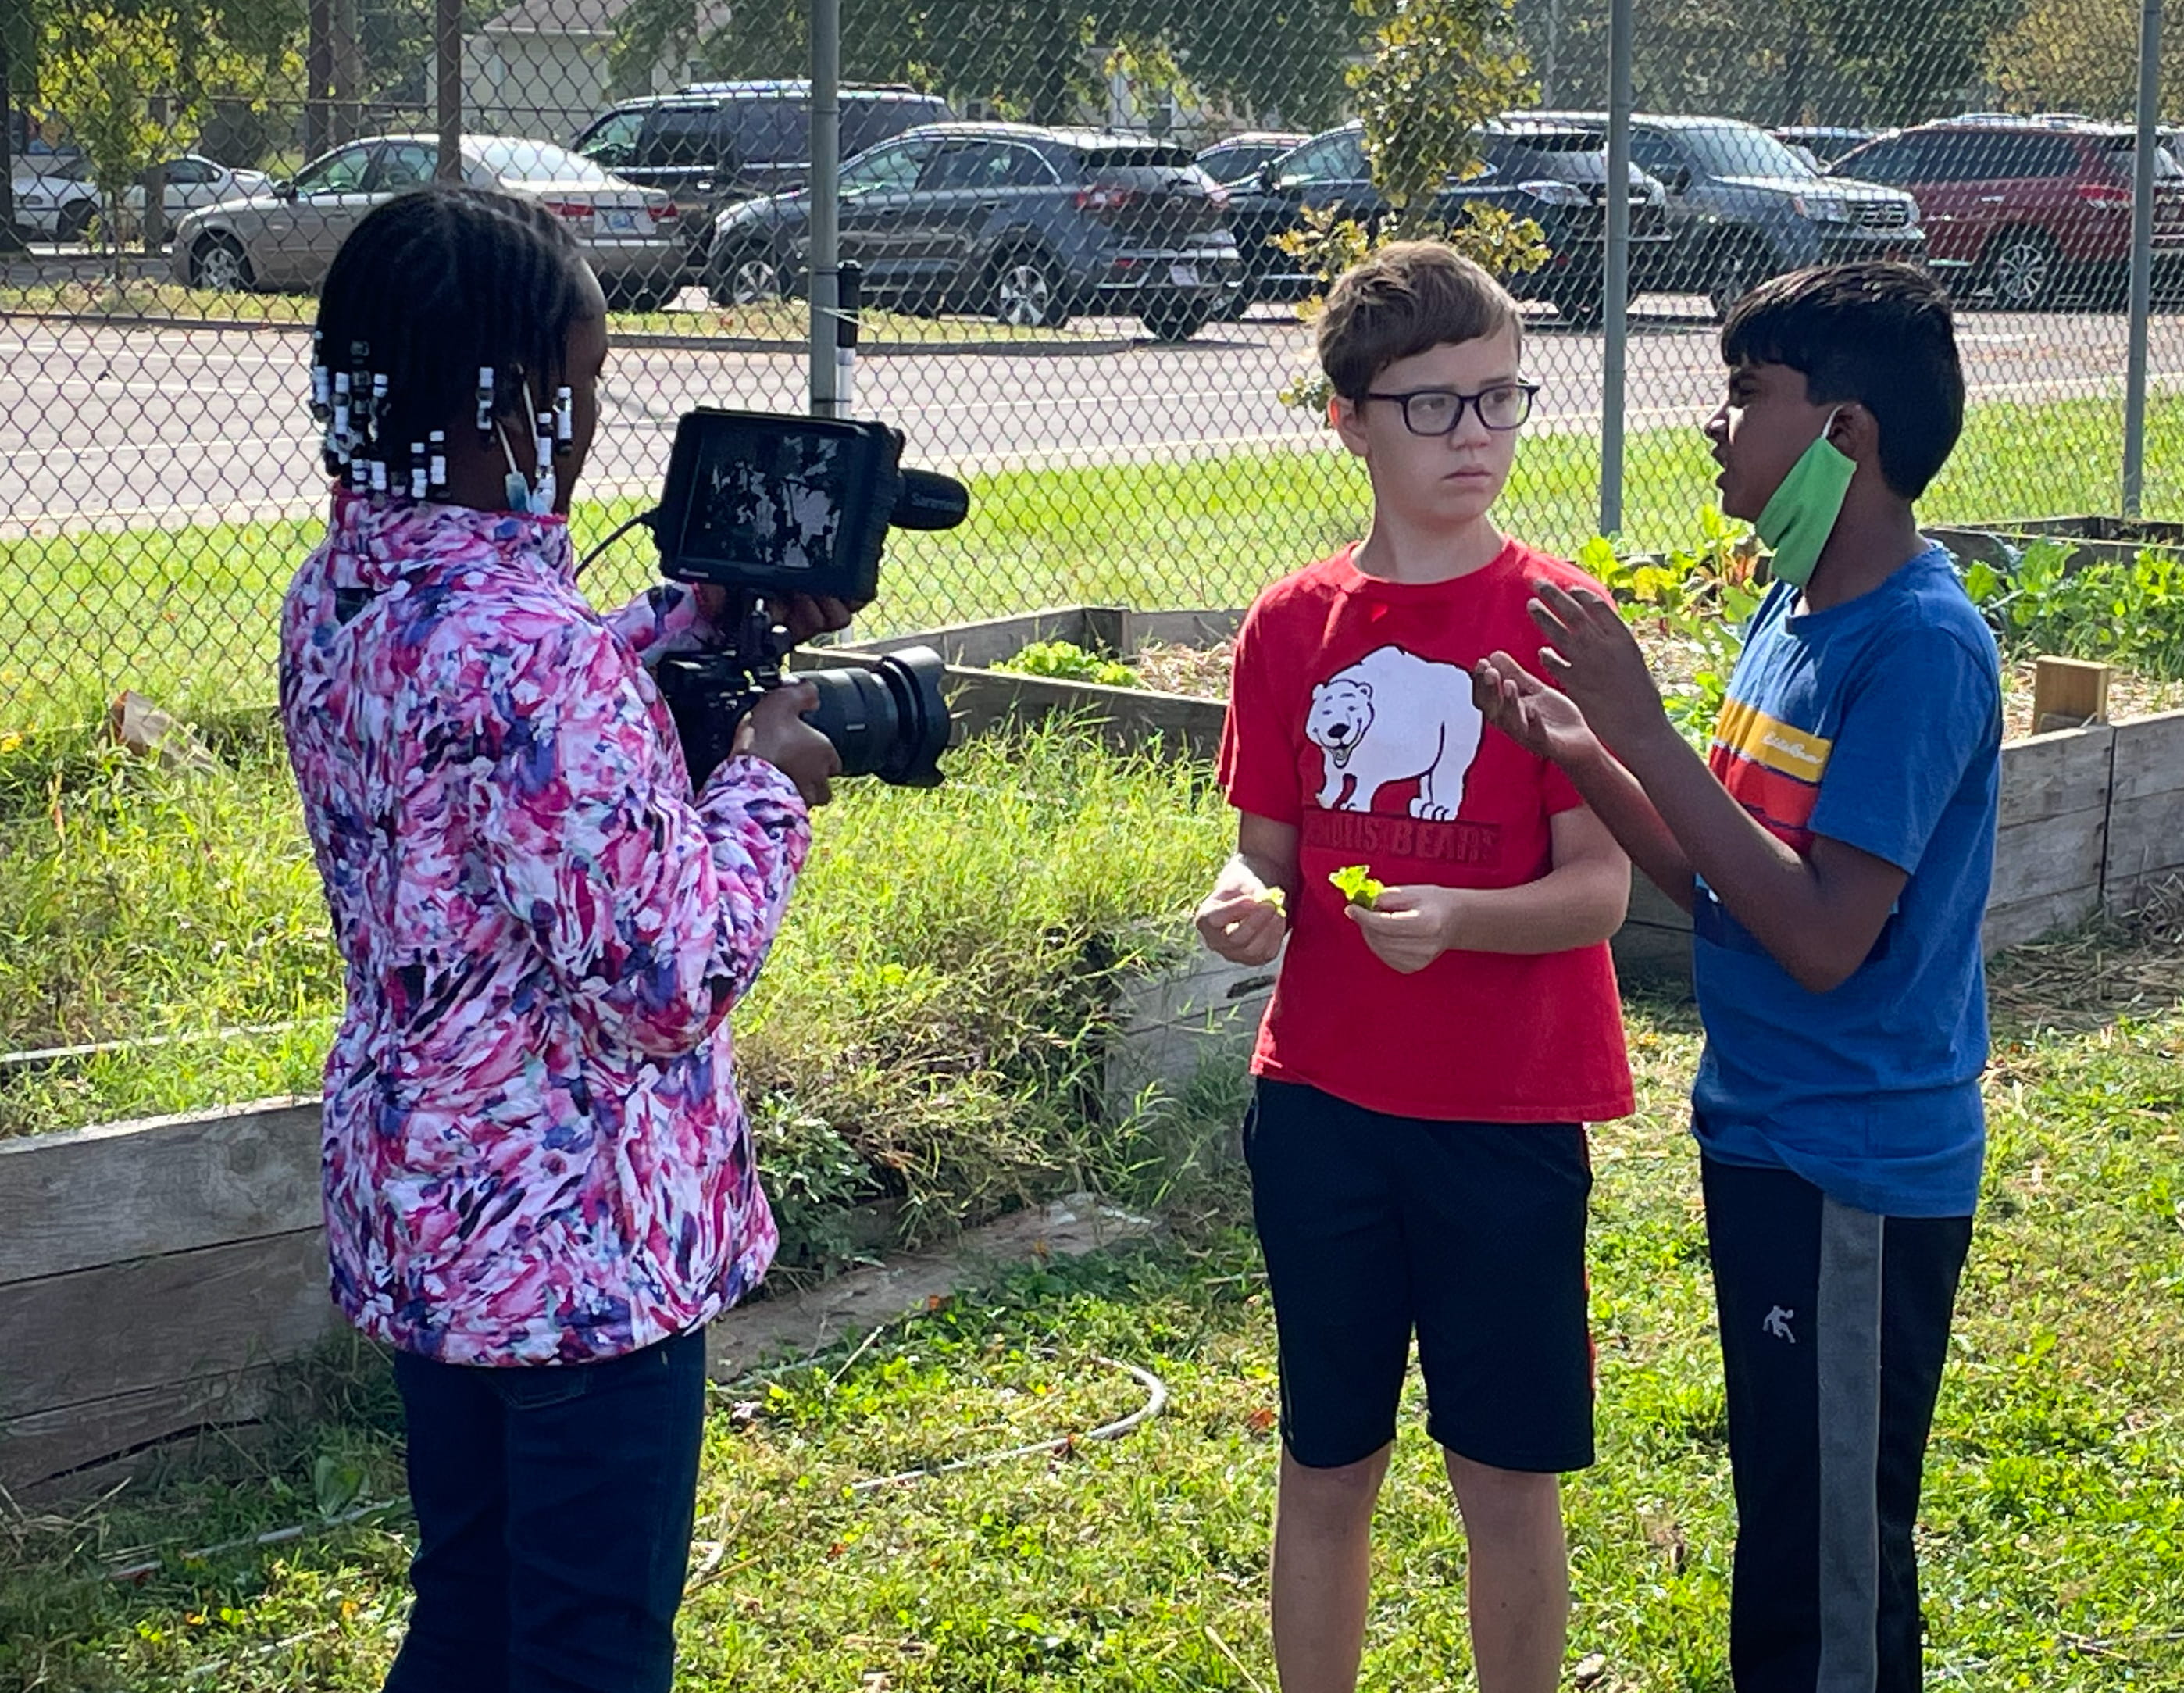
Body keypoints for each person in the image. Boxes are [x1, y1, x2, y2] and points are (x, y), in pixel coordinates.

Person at [278, 184, 844, 1693]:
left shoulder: (343, 592)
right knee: (591, 1645)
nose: (591, 428)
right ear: (513, 400)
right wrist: (769, 790)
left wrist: (684, 620)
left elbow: (507, 743)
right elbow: (666, 979)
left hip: (432, 1208)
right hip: (579, 1248)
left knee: (467, 1607)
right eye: (583, 387)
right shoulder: (523, 650)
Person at [1473, 261, 1999, 1691]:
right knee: (1788, 1507)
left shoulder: (1921, 649)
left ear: (1848, 437)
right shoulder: (1793, 617)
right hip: (1764, 1131)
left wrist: (1643, 734)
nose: (1717, 423)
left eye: (1747, 393)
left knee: (1830, 1560)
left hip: (1856, 1160)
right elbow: (1719, 873)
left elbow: (1827, 938)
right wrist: (1583, 742)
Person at [1194, 241, 1634, 1693]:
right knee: (1328, 1462)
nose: (1479, 438)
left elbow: (1600, 892)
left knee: (1506, 1476)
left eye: (1501, 399)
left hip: (1508, 1116)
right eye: (1437, 406)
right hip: (1323, 1103)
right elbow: (1262, 847)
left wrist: (1455, 917)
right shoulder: (1291, 625)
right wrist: (1245, 900)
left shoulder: (1558, 621)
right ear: (1348, 419)